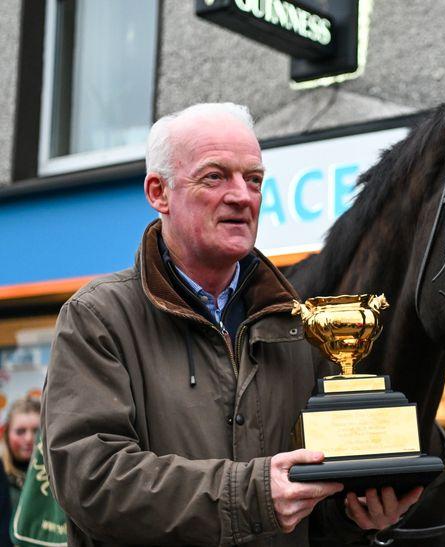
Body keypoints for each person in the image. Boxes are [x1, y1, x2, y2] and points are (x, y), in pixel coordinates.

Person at [42, 103, 421, 546]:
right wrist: (252, 496)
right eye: (215, 177)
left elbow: (301, 511)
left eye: (254, 179)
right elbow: (92, 479)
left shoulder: (292, 324)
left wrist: (353, 516)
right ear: (158, 192)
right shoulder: (98, 317)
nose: (242, 195)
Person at [1, 398, 39, 512]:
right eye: (20, 431)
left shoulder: (59, 478)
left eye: (37, 431)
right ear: (7, 434)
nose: (29, 439)